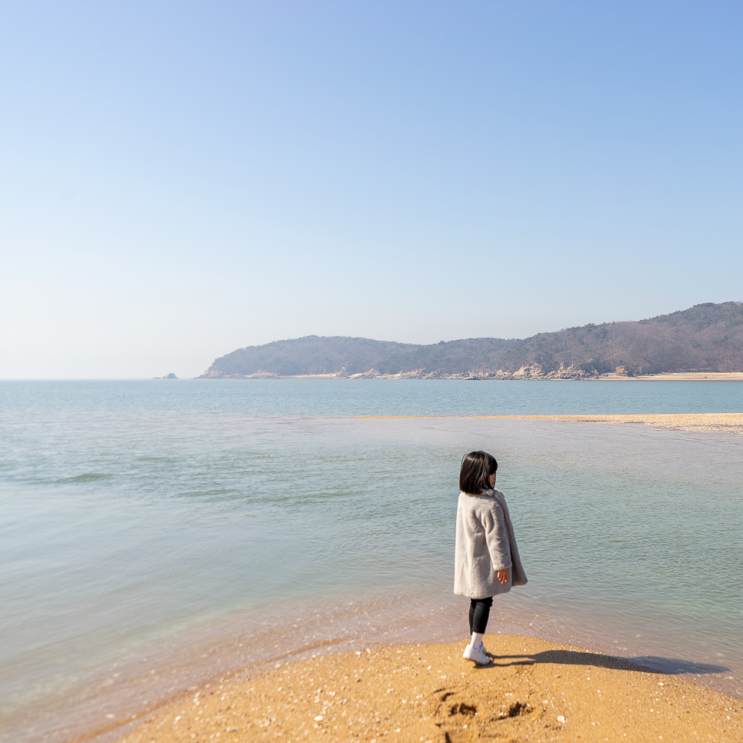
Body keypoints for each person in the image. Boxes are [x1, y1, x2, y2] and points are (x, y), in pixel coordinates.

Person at [454, 450, 527, 665]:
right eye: (492, 473)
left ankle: (475, 643)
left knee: (475, 600)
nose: (495, 477)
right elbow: (498, 539)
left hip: (469, 560)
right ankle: (475, 647)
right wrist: (503, 565)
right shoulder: (489, 505)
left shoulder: (465, 497)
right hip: (485, 563)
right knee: (485, 601)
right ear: (481, 475)